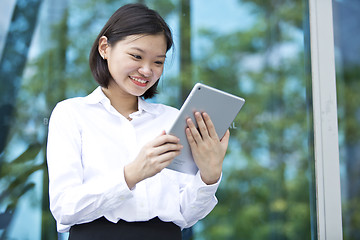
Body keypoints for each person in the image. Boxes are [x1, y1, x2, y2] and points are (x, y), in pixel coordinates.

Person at [46, 3, 230, 240]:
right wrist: (131, 174)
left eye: (158, 62)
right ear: (105, 47)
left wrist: (210, 175)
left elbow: (185, 215)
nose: (146, 70)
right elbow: (64, 208)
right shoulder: (71, 114)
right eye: (136, 56)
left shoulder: (171, 119)